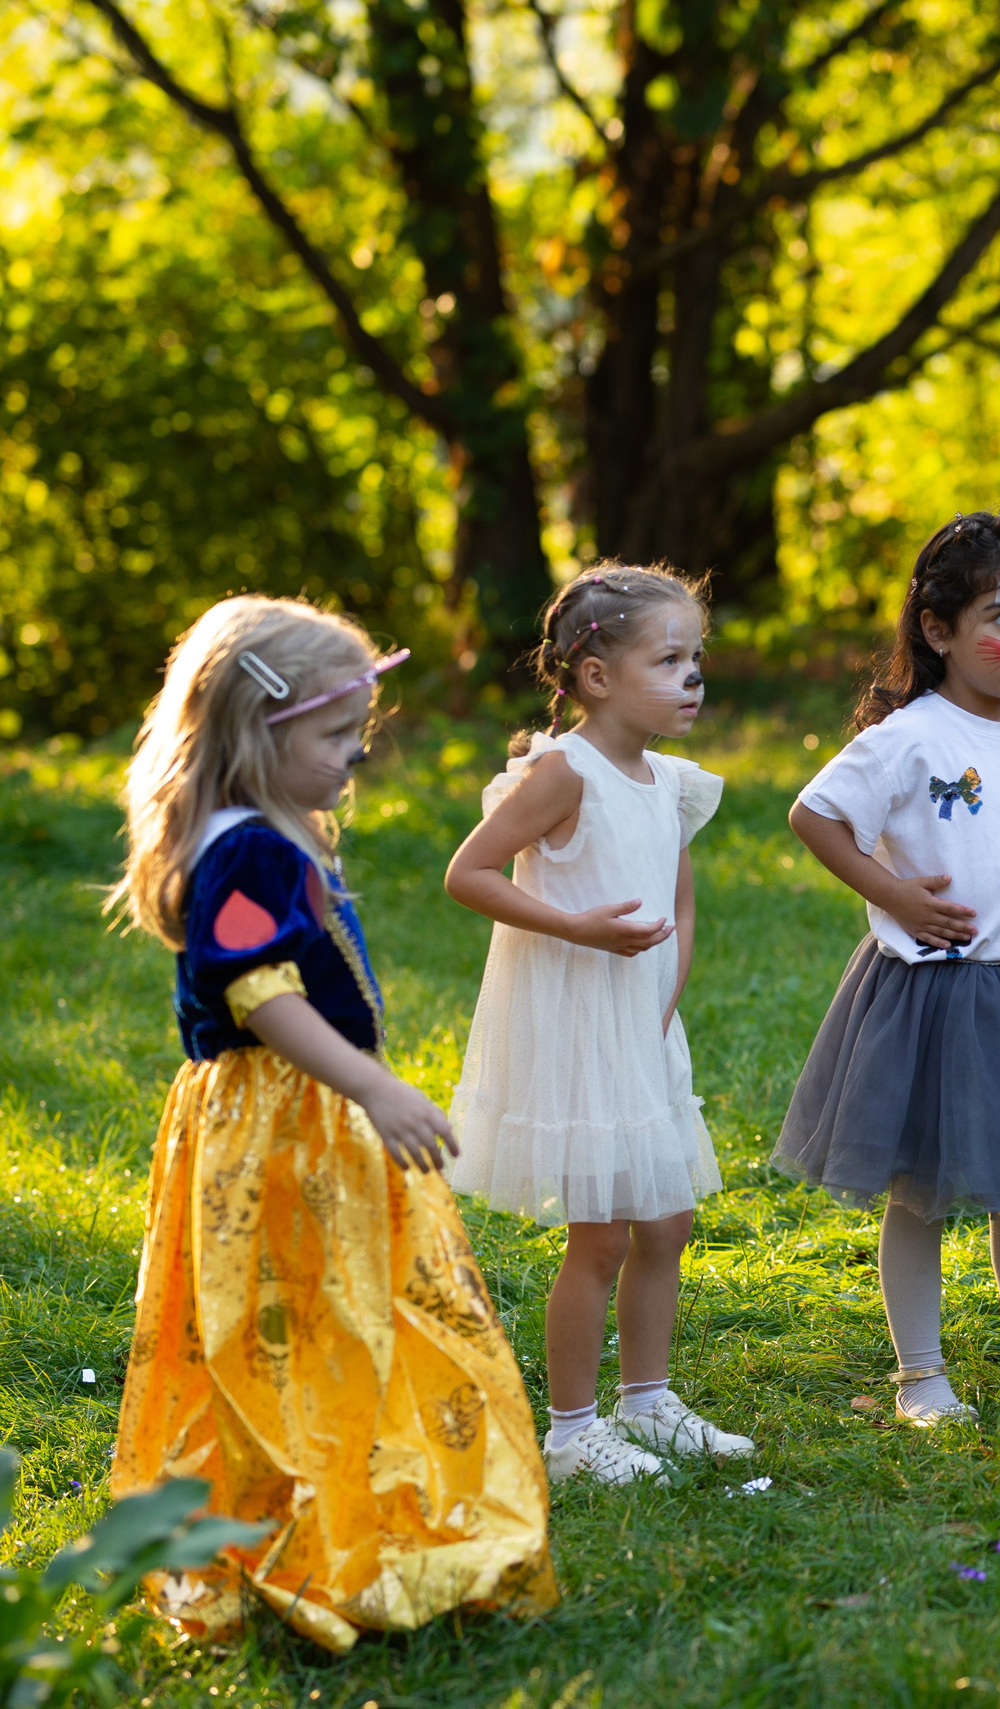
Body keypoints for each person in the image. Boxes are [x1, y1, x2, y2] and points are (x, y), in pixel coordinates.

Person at [105, 596, 556, 1652]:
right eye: (333, 734)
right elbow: (261, 996)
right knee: (309, 1320)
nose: (356, 752)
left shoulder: (272, 831)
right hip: (283, 1123)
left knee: (329, 1313)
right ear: (259, 734)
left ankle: (342, 1511)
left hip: (297, 1117)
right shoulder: (247, 850)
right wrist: (373, 1086)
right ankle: (306, 1528)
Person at [776, 512, 1000, 1426]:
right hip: (932, 993)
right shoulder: (910, 736)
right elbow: (814, 815)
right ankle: (922, 1376)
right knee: (923, 1190)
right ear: (937, 630)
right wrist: (893, 893)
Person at [446, 566, 751, 1485]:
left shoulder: (670, 781)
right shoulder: (561, 773)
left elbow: (681, 904)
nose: (694, 677)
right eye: (670, 659)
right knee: (604, 1234)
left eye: (697, 658)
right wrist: (578, 927)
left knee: (669, 1220)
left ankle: (648, 1399)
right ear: (596, 676)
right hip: (579, 1025)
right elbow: (471, 873)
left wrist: (666, 995)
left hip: (643, 1025)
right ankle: (573, 1432)